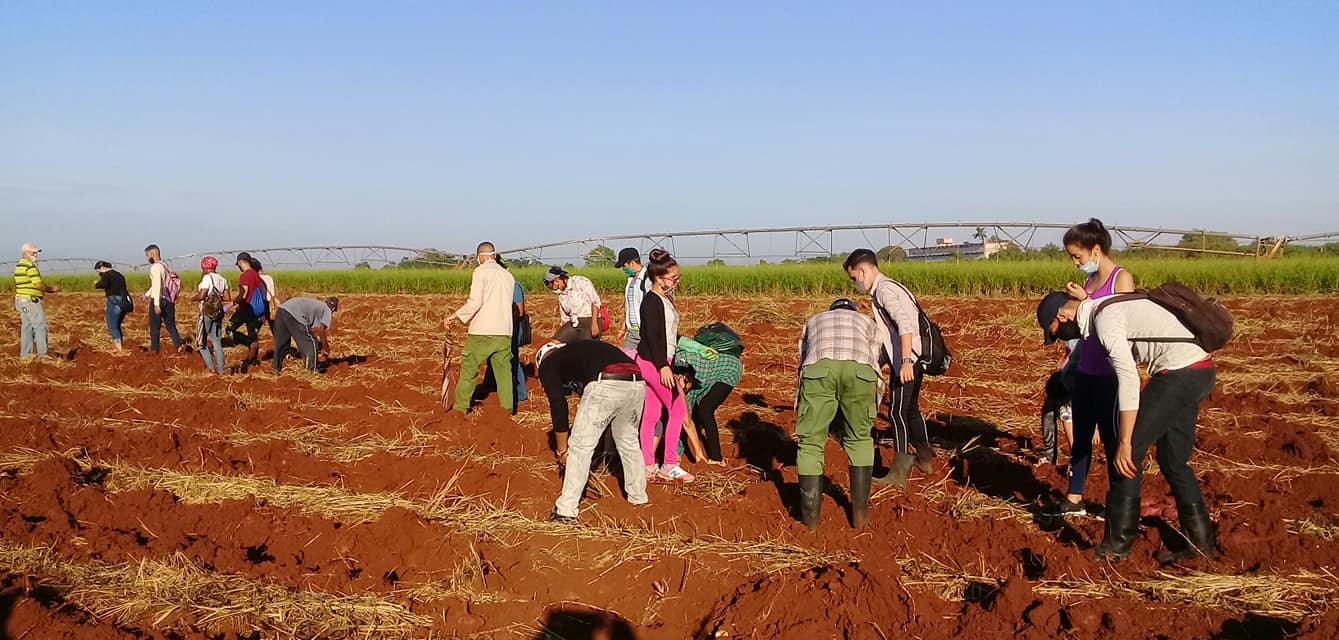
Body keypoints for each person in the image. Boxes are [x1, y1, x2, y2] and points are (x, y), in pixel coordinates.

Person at [1038, 291, 1218, 562]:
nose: (1062, 336)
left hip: (1177, 373)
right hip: (1200, 369)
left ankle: (1116, 546)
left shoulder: (1104, 321)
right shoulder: (1106, 307)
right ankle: (1201, 546)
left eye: (1057, 331)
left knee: (1127, 455)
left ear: (1063, 316)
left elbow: (1129, 380)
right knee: (1173, 461)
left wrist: (1124, 442)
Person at [1047, 218, 1136, 517]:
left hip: (1110, 375)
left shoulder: (1121, 279)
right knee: (1081, 439)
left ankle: (1118, 503)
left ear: (1096, 249)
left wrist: (1086, 301)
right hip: (1085, 369)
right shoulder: (1089, 280)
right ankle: (1074, 499)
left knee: (1113, 442)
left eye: (1078, 256)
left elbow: (1120, 324)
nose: (1076, 263)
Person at [794, 298, 884, 531]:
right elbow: (875, 361)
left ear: (831, 311)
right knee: (860, 439)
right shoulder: (867, 321)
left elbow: (803, 361)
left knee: (811, 443)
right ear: (852, 311)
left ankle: (810, 524)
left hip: (819, 369)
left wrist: (801, 399)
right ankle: (860, 518)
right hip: (860, 370)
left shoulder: (813, 320)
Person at [537, 340, 650, 523]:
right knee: (629, 441)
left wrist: (562, 450)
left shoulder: (548, 364)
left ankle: (566, 510)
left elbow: (559, 406)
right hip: (637, 382)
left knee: (580, 447)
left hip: (607, 380)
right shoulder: (580, 351)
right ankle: (638, 496)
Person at [844, 248, 928, 488]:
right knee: (911, 409)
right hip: (915, 355)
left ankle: (898, 474)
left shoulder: (883, 290)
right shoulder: (891, 286)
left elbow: (904, 324)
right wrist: (879, 362)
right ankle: (925, 459)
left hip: (909, 358)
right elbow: (892, 334)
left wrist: (904, 361)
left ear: (862, 270)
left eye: (854, 278)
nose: (855, 283)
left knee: (897, 413)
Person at [635, 249, 694, 483]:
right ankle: (669, 464)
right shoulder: (651, 301)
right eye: (673, 278)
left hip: (659, 361)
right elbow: (653, 335)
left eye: (678, 278)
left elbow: (669, 334)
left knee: (651, 413)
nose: (676, 282)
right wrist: (663, 366)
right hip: (654, 362)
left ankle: (647, 465)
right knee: (678, 408)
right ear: (659, 278)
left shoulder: (664, 299)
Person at [449, 242, 516, 413]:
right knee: (504, 373)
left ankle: (460, 407)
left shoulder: (480, 272)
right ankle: (507, 409)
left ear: (481, 256)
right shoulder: (508, 275)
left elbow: (475, 302)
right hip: (505, 331)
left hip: (483, 331)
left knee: (469, 368)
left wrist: (455, 316)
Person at [673, 345, 742, 466]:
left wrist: (677, 451)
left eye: (684, 389)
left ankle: (716, 457)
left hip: (730, 369)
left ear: (686, 378)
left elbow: (685, 419)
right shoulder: (678, 368)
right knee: (698, 411)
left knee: (706, 408)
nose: (684, 391)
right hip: (711, 368)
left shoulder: (690, 381)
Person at [483, 257, 530, 403]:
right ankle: (489, 386)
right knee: (492, 356)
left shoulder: (513, 285)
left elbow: (520, 311)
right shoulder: (494, 286)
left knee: (512, 359)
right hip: (498, 327)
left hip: (512, 328)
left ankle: (520, 395)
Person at [13, 243, 58, 359]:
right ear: (26, 253)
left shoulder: (19, 266)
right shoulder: (30, 266)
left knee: (27, 327)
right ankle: (43, 354)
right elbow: (37, 284)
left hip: (21, 299)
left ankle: (25, 355)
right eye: (34, 252)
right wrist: (51, 289)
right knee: (40, 326)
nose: (36, 254)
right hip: (31, 300)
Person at [272, 296, 339, 373]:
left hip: (281, 310)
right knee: (312, 343)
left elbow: (308, 329)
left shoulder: (316, 304)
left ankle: (275, 368)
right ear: (333, 308)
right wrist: (326, 349)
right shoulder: (327, 309)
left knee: (281, 344)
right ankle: (312, 370)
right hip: (294, 313)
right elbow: (321, 331)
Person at [191, 256, 230, 375]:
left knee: (201, 343)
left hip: (206, 313)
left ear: (206, 267)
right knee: (217, 342)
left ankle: (212, 369)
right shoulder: (222, 279)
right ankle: (222, 370)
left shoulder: (207, 278)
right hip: (218, 314)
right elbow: (228, 298)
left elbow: (202, 295)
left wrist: (193, 298)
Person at [227, 253, 268, 366]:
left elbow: (243, 294)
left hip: (245, 309)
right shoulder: (256, 275)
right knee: (252, 334)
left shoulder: (245, 276)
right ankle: (252, 361)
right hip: (258, 311)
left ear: (241, 262)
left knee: (229, 330)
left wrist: (232, 303)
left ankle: (249, 342)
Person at [143, 244, 185, 354]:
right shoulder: (164, 266)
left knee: (154, 327)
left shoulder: (155, 267)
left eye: (147, 255)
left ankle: (154, 351)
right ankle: (179, 346)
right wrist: (146, 294)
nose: (148, 258)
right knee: (171, 325)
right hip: (169, 300)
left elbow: (157, 286)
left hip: (159, 299)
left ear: (152, 254)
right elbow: (160, 284)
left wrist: (156, 304)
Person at [545, 267, 603, 343]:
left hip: (589, 320)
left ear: (557, 280)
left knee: (585, 350)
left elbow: (595, 302)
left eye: (556, 287)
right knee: (555, 343)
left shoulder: (581, 281)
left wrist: (594, 324)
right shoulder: (561, 295)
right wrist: (563, 330)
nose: (556, 290)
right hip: (573, 323)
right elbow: (564, 318)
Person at [615, 248, 650, 353]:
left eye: (624, 266)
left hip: (645, 331)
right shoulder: (630, 280)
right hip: (631, 331)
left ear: (632, 263)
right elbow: (629, 307)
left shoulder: (648, 279)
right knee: (628, 362)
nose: (623, 269)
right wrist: (623, 328)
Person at [94, 261, 131, 354]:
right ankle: (119, 345)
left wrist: (96, 284)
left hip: (114, 301)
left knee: (112, 325)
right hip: (123, 302)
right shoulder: (120, 275)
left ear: (102, 267)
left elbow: (103, 284)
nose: (99, 274)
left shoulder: (106, 275)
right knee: (117, 324)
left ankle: (119, 348)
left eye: (98, 271)